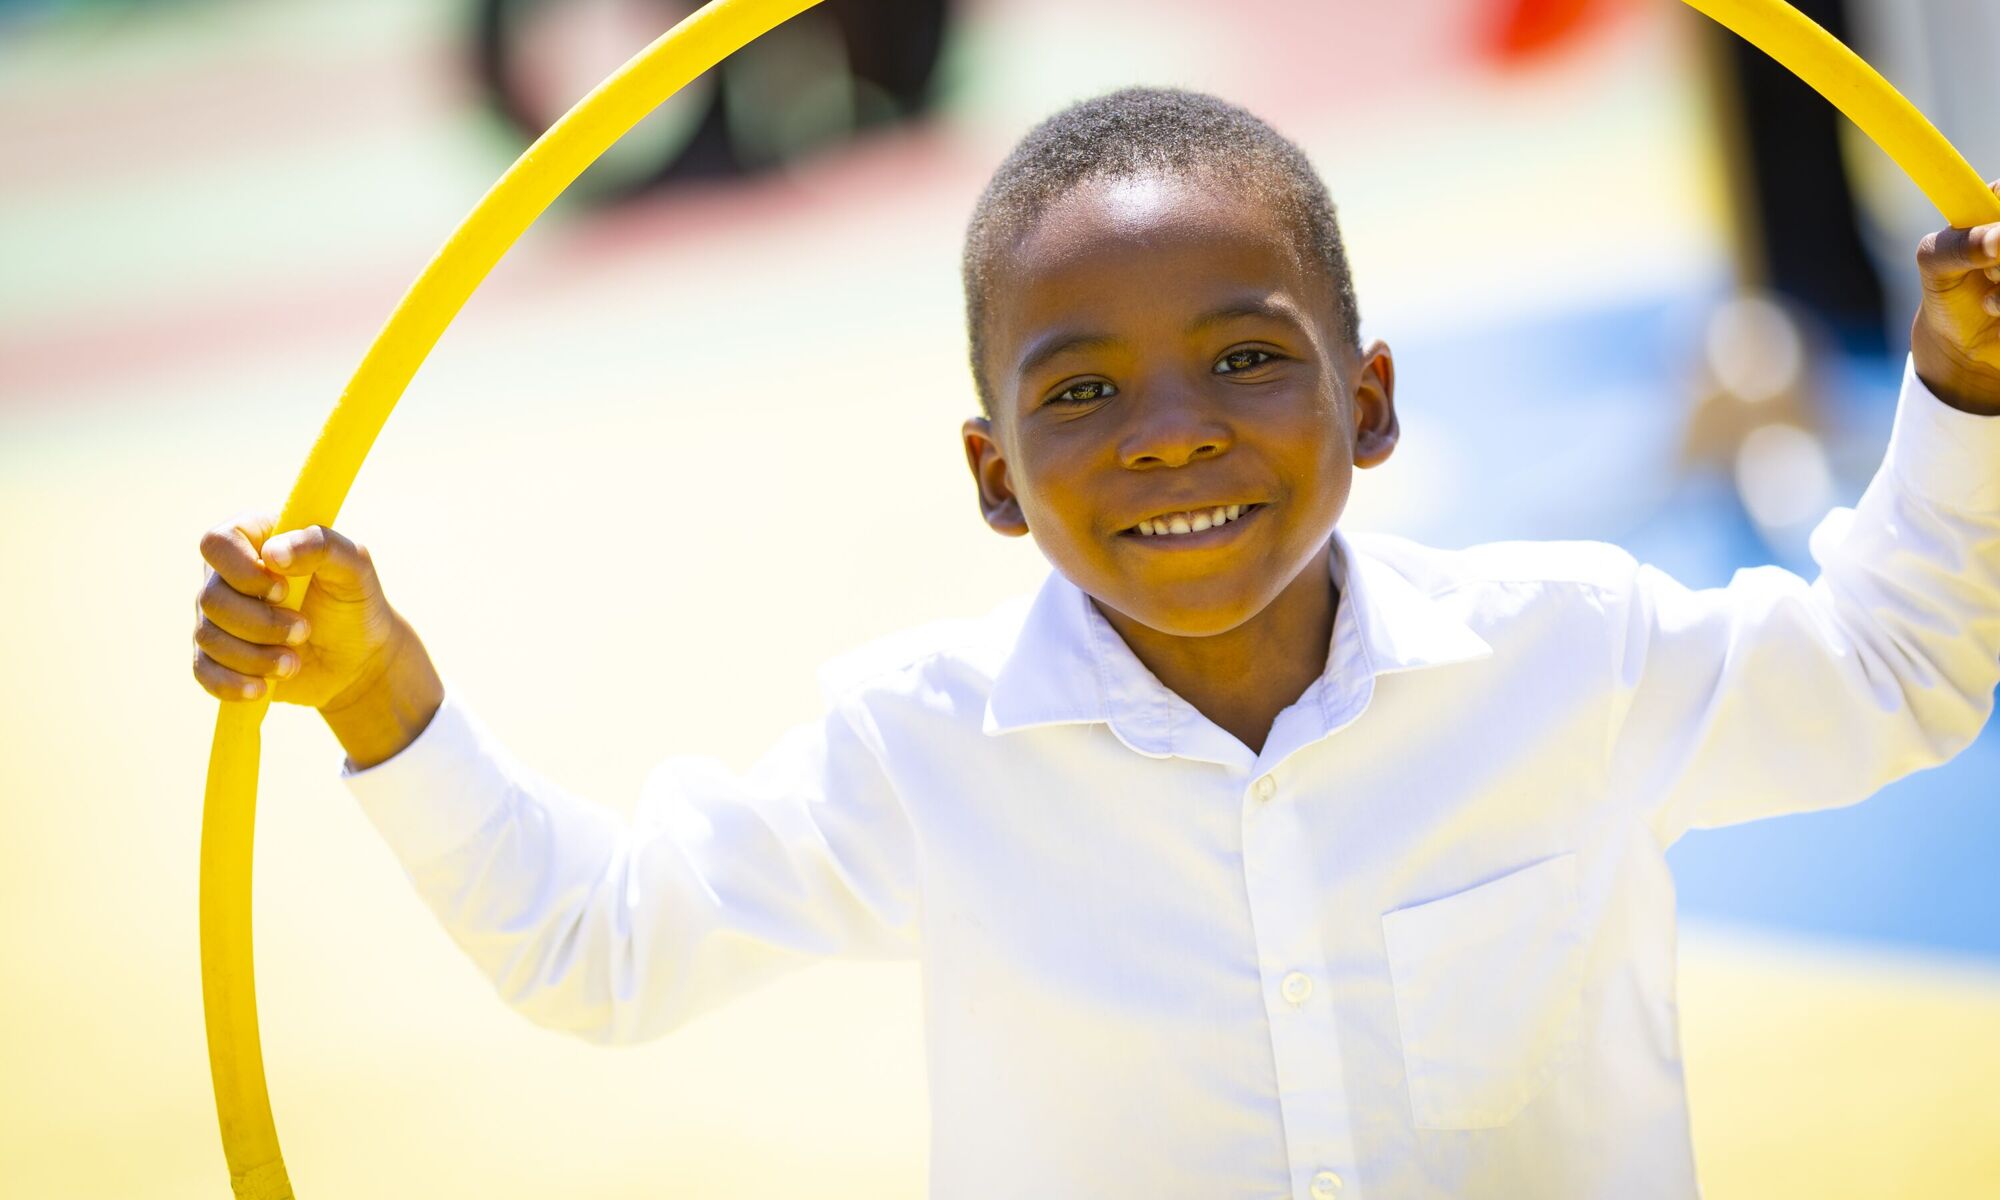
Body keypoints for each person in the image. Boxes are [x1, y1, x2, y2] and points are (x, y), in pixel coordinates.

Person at [190, 88, 2000, 1197]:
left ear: (1369, 403)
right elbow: (600, 948)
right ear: (995, 477)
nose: (1170, 433)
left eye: (1245, 358)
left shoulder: (1568, 657)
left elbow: (1890, 674)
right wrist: (376, 692)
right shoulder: (918, 750)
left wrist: (1965, 390)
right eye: (1081, 393)